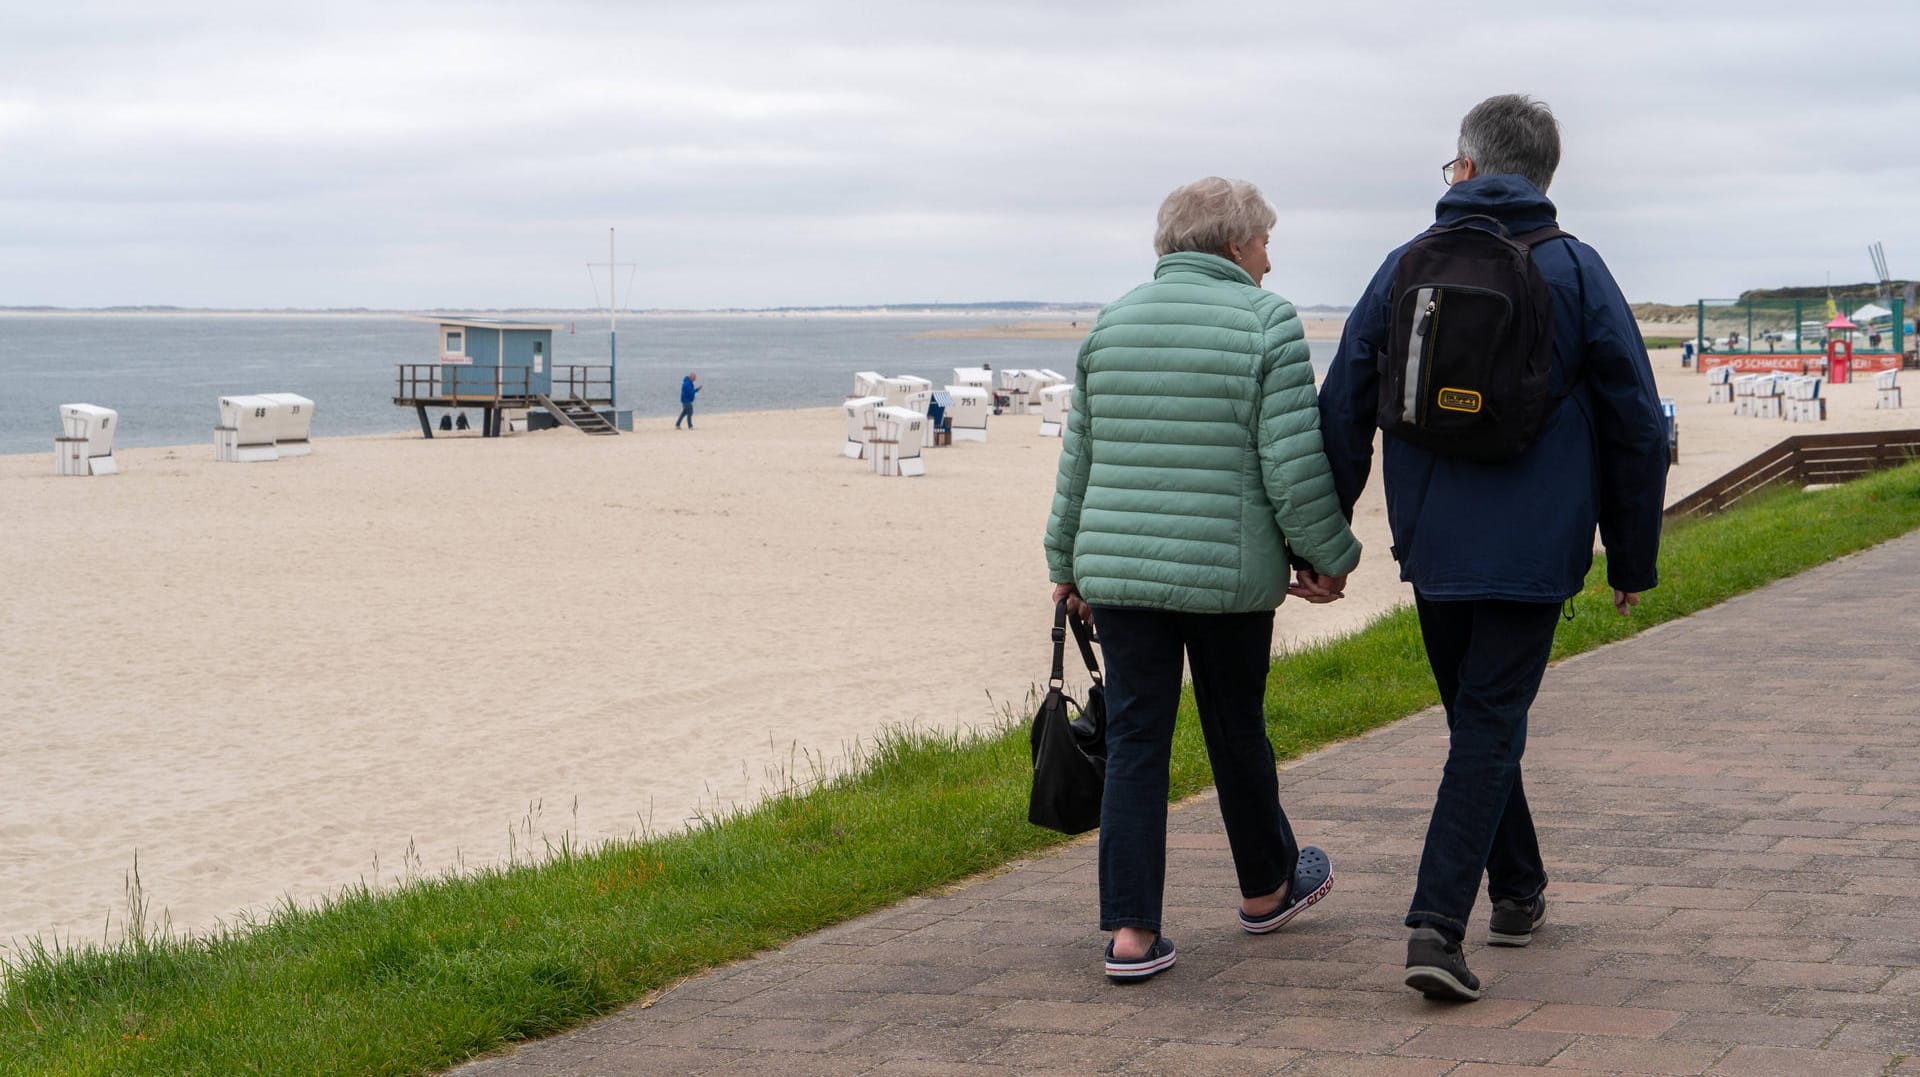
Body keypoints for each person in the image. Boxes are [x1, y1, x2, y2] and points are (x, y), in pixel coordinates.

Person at [1317, 95, 1668, 1002]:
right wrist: (1630, 555)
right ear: (1543, 177)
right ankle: (1437, 923)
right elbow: (1635, 419)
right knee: (1487, 722)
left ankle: (1518, 889)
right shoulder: (1577, 270)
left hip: (1432, 542)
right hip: (1536, 548)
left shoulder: (1405, 265)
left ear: (1466, 168)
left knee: (1478, 719)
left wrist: (1325, 534)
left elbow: (1346, 399)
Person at [1043, 176, 1361, 983]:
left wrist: (1065, 564)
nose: (1268, 257)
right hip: (1226, 575)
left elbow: (1079, 458)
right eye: (1262, 241)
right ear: (1231, 244)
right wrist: (1330, 556)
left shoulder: (1112, 323)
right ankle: (1266, 888)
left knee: (1140, 741)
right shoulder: (1267, 322)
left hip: (1119, 574)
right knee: (1234, 727)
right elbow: (1290, 466)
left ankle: (1130, 935)